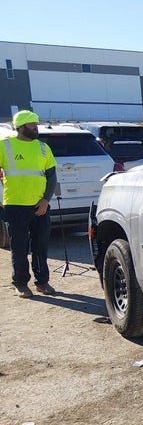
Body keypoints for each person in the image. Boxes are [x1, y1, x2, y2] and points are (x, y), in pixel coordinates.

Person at [0, 110, 58, 297]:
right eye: (32, 124)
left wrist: (45, 200)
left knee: (41, 246)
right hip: (15, 206)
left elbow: (51, 177)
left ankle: (42, 282)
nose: (36, 127)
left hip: (40, 206)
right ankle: (20, 283)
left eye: (36, 124)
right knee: (19, 247)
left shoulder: (43, 148)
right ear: (21, 127)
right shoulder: (4, 146)